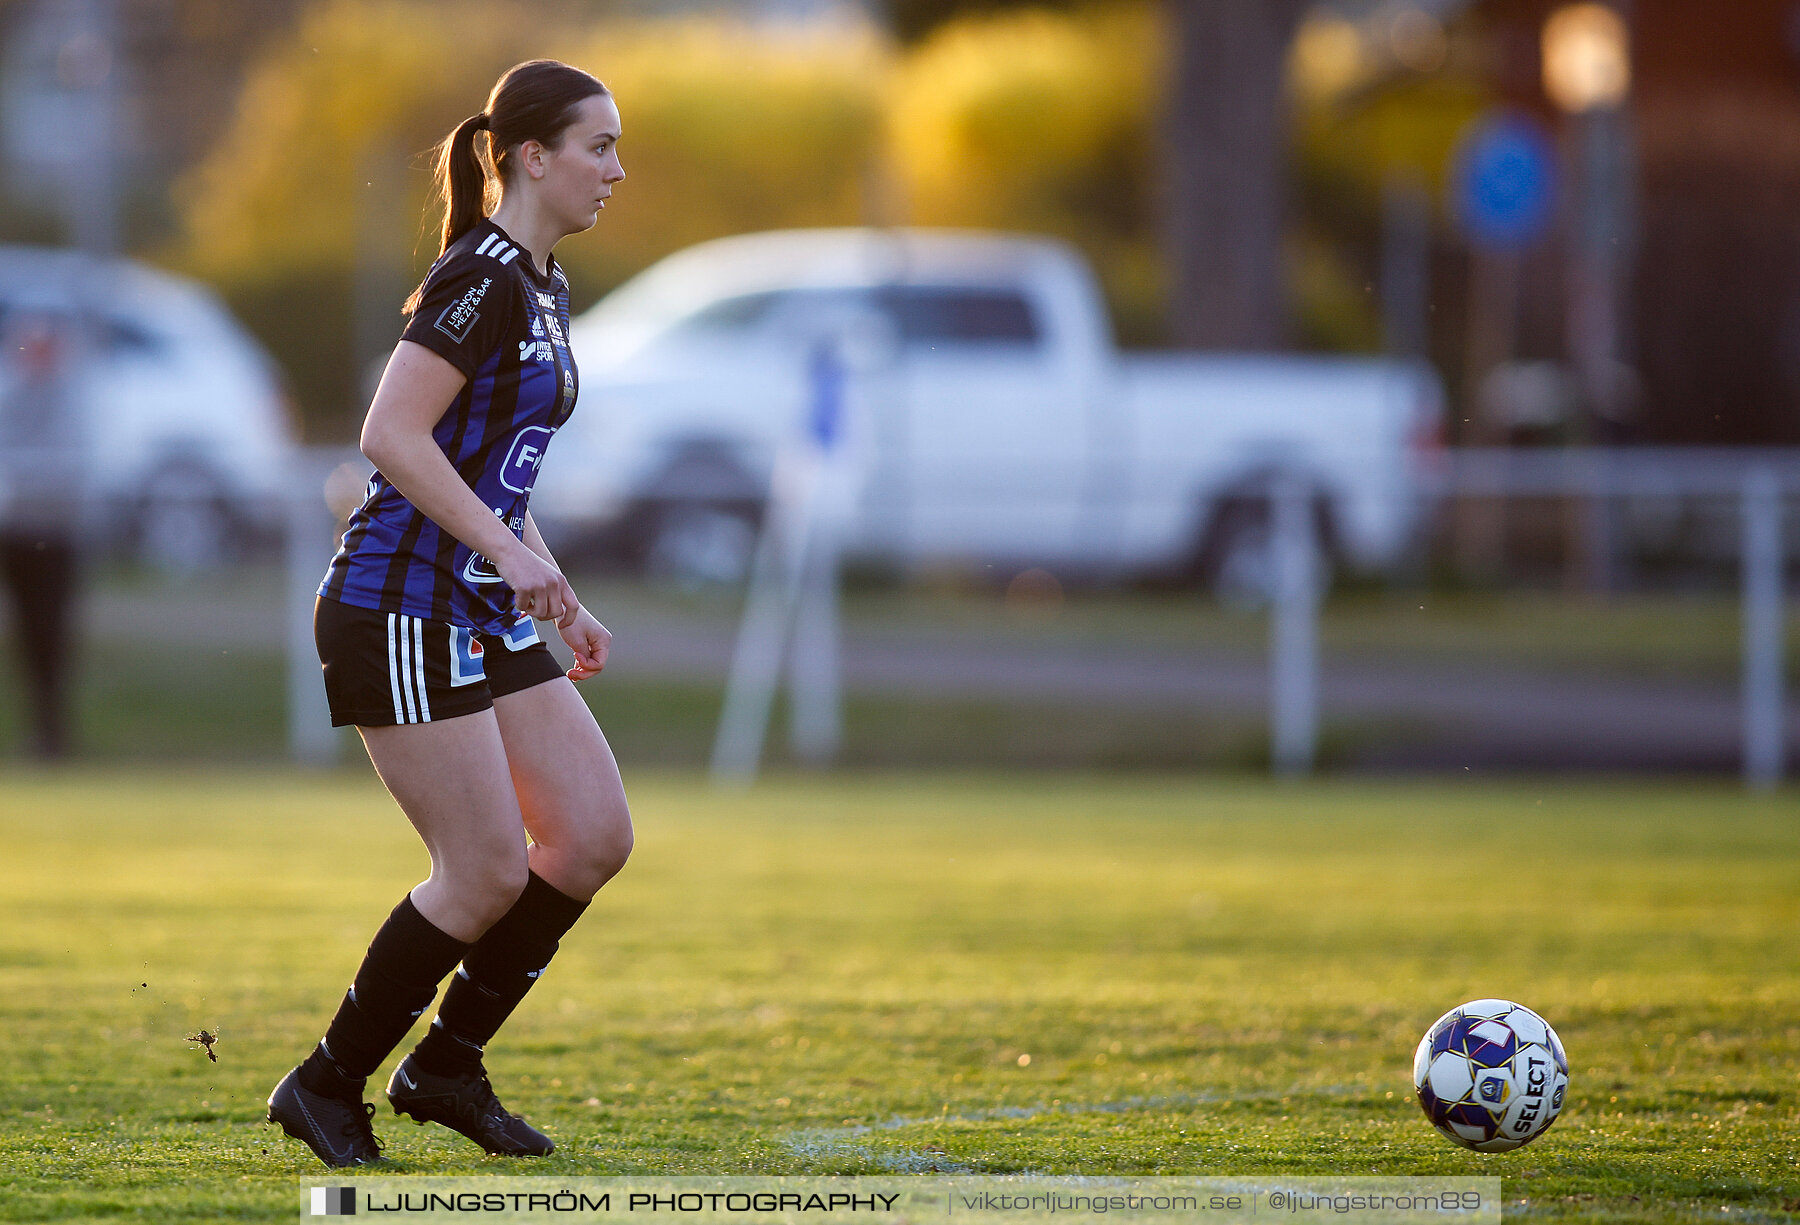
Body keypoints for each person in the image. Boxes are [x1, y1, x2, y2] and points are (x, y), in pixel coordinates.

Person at [267, 59, 631, 1168]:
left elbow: (496, 471)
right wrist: (510, 559)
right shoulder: (480, 278)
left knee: (590, 837)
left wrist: (550, 582)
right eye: (599, 146)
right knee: (482, 871)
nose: (618, 169)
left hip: (477, 599)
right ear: (531, 154)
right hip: (399, 604)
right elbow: (391, 436)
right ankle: (327, 1083)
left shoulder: (548, 281)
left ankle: (446, 1065)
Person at [0, 307, 85, 761]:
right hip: (14, 536)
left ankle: (53, 735)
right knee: (23, 638)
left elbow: (70, 468)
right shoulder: (9, 396)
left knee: (50, 635)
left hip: (54, 536)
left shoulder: (72, 401)